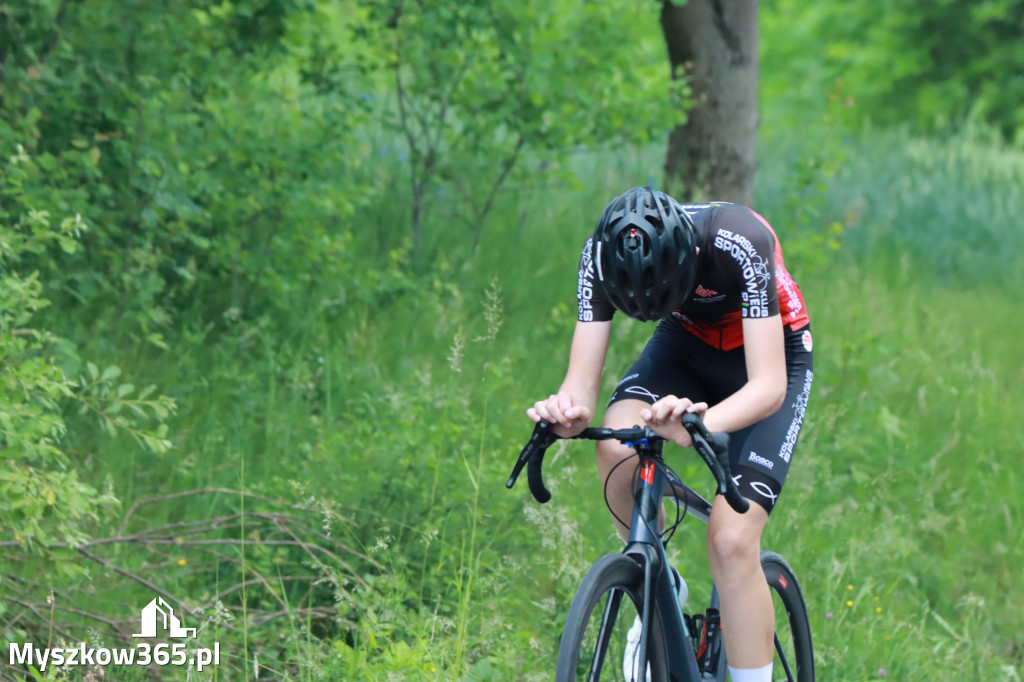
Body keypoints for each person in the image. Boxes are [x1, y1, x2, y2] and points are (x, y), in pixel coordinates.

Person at [527, 186, 813, 682]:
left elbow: (768, 386)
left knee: (729, 541)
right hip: (685, 344)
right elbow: (579, 386)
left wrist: (700, 424)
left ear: (689, 258)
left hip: (770, 357)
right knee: (618, 440)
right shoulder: (600, 254)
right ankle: (658, 581)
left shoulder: (738, 239)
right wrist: (566, 412)